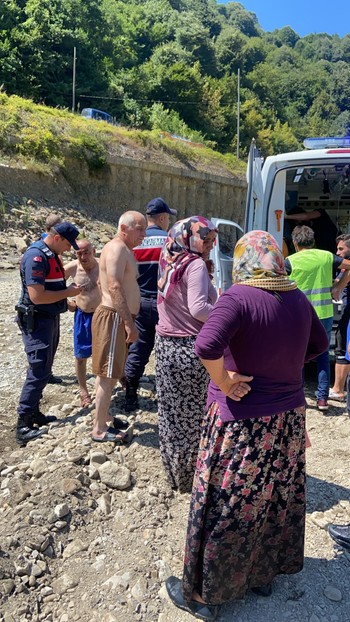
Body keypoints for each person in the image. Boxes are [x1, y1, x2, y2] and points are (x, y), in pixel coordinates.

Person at [165, 230, 328, 621]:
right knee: (272, 499)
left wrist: (224, 381)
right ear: (277, 256)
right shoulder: (297, 298)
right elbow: (320, 346)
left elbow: (205, 345)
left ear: (242, 260)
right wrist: (284, 368)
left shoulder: (238, 296)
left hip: (242, 423)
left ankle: (205, 597)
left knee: (228, 505)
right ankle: (261, 575)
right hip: (286, 420)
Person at [155, 216, 218, 493]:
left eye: (212, 240)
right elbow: (198, 309)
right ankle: (193, 479)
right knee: (193, 418)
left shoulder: (171, 258)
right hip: (191, 350)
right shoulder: (193, 266)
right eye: (205, 240)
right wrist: (227, 315)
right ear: (189, 238)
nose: (210, 246)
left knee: (171, 414)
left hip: (166, 347)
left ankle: (175, 475)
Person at [16, 222, 82, 445]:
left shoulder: (51, 254)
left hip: (48, 318)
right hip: (37, 319)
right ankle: (23, 423)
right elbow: (37, 296)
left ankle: (34, 412)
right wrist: (68, 293)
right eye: (66, 244)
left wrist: (65, 300)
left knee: (44, 368)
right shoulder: (36, 256)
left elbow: (51, 287)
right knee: (38, 368)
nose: (67, 249)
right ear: (56, 238)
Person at [91, 211, 147, 442]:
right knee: (107, 374)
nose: (144, 234)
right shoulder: (116, 248)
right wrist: (128, 322)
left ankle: (102, 417)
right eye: (140, 229)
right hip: (114, 317)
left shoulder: (124, 249)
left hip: (115, 317)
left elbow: (101, 281)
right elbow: (113, 286)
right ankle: (98, 430)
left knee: (110, 373)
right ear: (124, 228)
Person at [285, 226, 350, 411]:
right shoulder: (326, 256)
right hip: (324, 314)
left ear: (295, 243)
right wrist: (339, 284)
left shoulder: (290, 261)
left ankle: (299, 398)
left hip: (299, 316)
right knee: (322, 356)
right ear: (312, 241)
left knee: (299, 356)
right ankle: (322, 399)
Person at [123, 197, 177, 412]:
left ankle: (130, 395)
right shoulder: (171, 241)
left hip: (140, 302)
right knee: (169, 349)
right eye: (168, 218)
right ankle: (169, 397)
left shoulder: (135, 241)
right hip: (166, 303)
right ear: (162, 218)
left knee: (139, 348)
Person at [64, 239, 101, 407]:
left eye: (86, 252)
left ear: (93, 251)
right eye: (79, 253)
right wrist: (65, 302)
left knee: (107, 353)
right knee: (80, 356)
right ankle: (83, 389)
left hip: (102, 315)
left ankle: (117, 379)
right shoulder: (72, 267)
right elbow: (53, 284)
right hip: (82, 315)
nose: (83, 256)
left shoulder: (103, 265)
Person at [329, 234, 350, 400]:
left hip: (348, 311)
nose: (338, 252)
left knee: (342, 345)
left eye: (341, 248)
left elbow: (339, 286)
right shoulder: (345, 267)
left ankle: (338, 389)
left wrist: (333, 288)